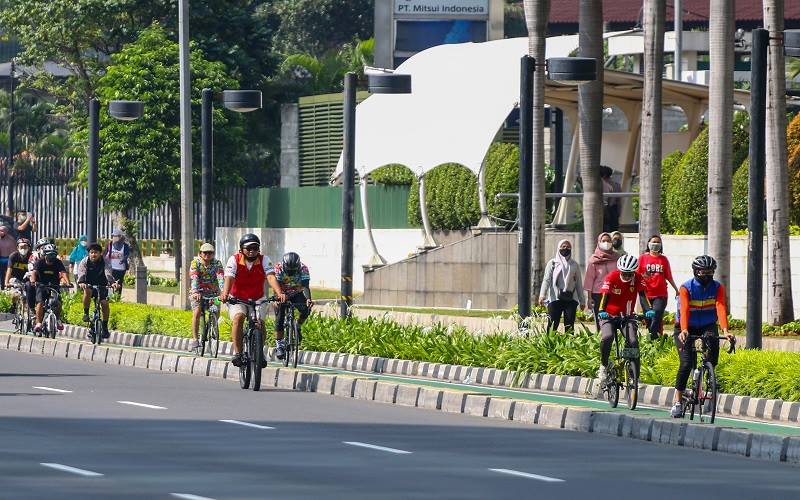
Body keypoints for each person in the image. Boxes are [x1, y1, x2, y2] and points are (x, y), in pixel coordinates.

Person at [670, 255, 735, 418]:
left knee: (713, 350)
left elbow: (720, 307)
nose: (707, 275)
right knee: (685, 364)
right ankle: (678, 401)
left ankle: (707, 372)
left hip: (707, 324)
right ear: (695, 272)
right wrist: (684, 330)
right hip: (685, 327)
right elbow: (684, 309)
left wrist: (726, 331)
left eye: (710, 272)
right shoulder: (686, 288)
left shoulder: (717, 287)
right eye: (703, 272)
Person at [220, 233, 283, 368]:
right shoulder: (234, 260)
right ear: (241, 249)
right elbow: (229, 278)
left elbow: (271, 277)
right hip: (237, 298)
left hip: (258, 298)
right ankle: (238, 353)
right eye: (248, 248)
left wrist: (279, 293)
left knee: (260, 323)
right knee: (238, 317)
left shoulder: (264, 259)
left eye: (255, 248)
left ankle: (259, 353)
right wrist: (225, 294)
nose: (251, 251)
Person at [596, 254, 655, 383]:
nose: (627, 277)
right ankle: (603, 366)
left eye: (630, 274)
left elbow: (643, 296)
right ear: (619, 270)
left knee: (633, 342)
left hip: (627, 316)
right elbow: (605, 296)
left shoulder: (638, 278)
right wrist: (601, 311)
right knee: (607, 337)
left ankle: (634, 376)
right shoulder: (612, 276)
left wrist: (649, 310)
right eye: (624, 273)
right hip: (608, 315)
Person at [272, 252, 313, 359]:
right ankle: (279, 345)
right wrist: (276, 298)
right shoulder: (278, 268)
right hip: (282, 293)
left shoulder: (304, 268)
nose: (291, 271)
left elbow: (305, 286)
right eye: (289, 269)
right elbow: (275, 285)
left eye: (293, 270)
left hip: (297, 292)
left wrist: (308, 299)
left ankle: (298, 326)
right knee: (280, 318)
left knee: (305, 309)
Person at [638, 235, 679, 340]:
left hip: (660, 294)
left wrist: (676, 289)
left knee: (656, 316)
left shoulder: (663, 259)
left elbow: (668, 276)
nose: (655, 244)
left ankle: (652, 338)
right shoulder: (642, 258)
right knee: (649, 318)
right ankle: (654, 339)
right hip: (645, 294)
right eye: (653, 242)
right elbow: (636, 275)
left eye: (658, 242)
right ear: (648, 243)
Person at [538, 239, 584, 333]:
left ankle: (568, 345)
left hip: (571, 299)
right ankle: (550, 345)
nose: (565, 248)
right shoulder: (552, 263)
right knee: (552, 325)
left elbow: (578, 283)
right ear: (559, 248)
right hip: (555, 298)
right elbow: (546, 280)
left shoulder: (574, 265)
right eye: (563, 246)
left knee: (569, 326)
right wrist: (542, 295)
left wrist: (582, 301)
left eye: (568, 247)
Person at [76, 243, 119, 338]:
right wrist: (82, 282)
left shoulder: (105, 261)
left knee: (105, 304)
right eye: (91, 253)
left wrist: (112, 282)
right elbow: (81, 272)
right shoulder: (85, 261)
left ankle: (104, 327)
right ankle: (86, 314)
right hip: (89, 285)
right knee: (87, 291)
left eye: (96, 253)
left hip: (102, 286)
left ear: (101, 253)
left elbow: (108, 272)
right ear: (88, 253)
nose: (93, 255)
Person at [189, 243, 224, 352]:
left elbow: (221, 277)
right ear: (200, 253)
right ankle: (195, 339)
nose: (208, 255)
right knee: (197, 311)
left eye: (210, 253)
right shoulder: (195, 263)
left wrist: (223, 292)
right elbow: (194, 278)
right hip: (198, 293)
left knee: (217, 309)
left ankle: (213, 327)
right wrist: (195, 291)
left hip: (214, 293)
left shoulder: (217, 263)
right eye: (205, 252)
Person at [30, 243, 70, 333]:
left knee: (58, 303)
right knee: (40, 303)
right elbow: (34, 272)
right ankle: (38, 323)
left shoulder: (58, 262)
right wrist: (33, 281)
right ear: (45, 254)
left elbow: (63, 272)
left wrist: (67, 282)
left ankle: (58, 319)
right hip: (41, 285)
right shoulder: (40, 262)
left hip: (54, 285)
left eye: (54, 254)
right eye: (50, 254)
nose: (52, 257)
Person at [583, 232, 619, 332]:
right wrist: (589, 298)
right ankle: (601, 339)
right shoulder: (593, 260)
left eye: (608, 241)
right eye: (603, 241)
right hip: (598, 293)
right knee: (600, 318)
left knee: (613, 317)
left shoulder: (617, 258)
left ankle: (613, 339)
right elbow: (589, 279)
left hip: (613, 292)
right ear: (599, 243)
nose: (606, 243)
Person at [4, 238, 32, 316]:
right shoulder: (13, 256)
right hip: (15, 278)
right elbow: (9, 270)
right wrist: (6, 282)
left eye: (25, 247)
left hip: (27, 279)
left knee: (30, 296)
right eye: (21, 247)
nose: (23, 249)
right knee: (15, 295)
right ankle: (14, 306)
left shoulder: (32, 256)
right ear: (17, 247)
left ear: (29, 247)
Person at [601, 166, 621, 232]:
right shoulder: (617, 185)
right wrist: (618, 212)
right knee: (614, 230)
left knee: (605, 229)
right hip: (614, 209)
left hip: (605, 209)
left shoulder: (602, 184)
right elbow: (618, 200)